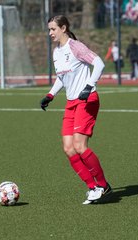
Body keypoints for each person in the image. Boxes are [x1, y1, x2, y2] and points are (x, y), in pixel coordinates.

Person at [40, 15, 112, 204]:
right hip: (71, 102)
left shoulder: (75, 47)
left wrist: (89, 86)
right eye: (49, 29)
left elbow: (99, 63)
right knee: (68, 149)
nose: (50, 33)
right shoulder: (57, 52)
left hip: (87, 100)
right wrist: (50, 95)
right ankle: (92, 187)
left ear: (63, 28)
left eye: (53, 29)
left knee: (80, 146)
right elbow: (62, 77)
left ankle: (103, 186)